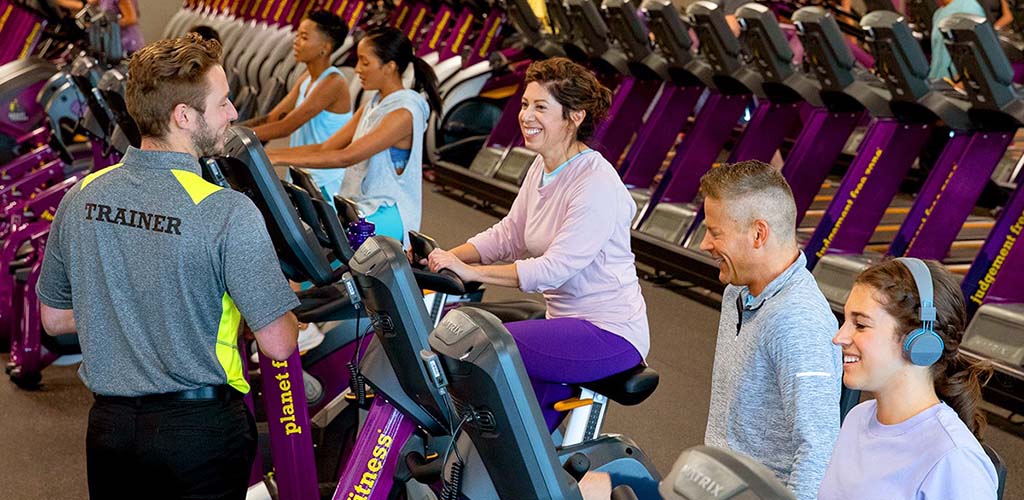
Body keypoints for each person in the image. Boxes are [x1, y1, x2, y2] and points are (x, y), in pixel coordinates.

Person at [36, 34, 299, 499]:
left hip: (110, 431)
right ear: (184, 116)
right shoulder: (227, 212)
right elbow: (278, 344)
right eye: (222, 103)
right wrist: (280, 301)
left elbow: (55, 320)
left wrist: (129, 309)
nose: (234, 113)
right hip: (199, 435)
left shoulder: (81, 196)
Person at [425, 57, 650, 431]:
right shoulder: (543, 166)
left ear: (575, 117)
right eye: (526, 104)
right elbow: (510, 235)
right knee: (511, 433)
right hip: (563, 322)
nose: (526, 115)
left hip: (609, 332)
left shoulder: (595, 183)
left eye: (541, 107)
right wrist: (448, 255)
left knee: (480, 344)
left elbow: (554, 268)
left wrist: (471, 272)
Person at [698, 161, 841, 500]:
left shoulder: (797, 319)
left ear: (758, 234)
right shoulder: (737, 289)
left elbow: (818, 447)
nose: (705, 244)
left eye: (715, 233)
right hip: (714, 481)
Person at [818, 258, 999, 499]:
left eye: (860, 325)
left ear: (918, 342)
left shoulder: (954, 460)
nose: (839, 337)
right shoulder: (858, 418)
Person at [266, 26, 440, 244]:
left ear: (390, 67)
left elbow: (347, 156)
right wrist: (269, 154)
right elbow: (326, 148)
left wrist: (277, 158)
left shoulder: (404, 113)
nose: (357, 69)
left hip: (387, 213)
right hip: (360, 204)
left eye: (365, 62)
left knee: (317, 253)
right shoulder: (374, 104)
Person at [244, 10, 352, 202]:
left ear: (324, 48)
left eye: (304, 37)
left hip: (322, 181)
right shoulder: (306, 78)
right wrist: (236, 129)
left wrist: (233, 136)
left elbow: (286, 126)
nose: (296, 41)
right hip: (300, 172)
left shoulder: (334, 83)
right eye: (297, 35)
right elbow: (273, 118)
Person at [929, 0, 986, 81]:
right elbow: (937, 54)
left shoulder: (969, 7)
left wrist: (962, 82)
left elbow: (976, 54)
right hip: (937, 80)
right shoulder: (938, 13)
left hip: (956, 84)